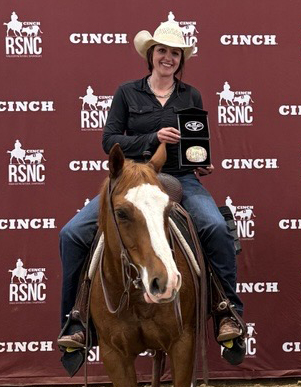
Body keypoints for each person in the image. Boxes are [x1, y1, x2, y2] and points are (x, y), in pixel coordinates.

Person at [57, 18, 244, 362]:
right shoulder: (127, 92)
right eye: (162, 51)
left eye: (175, 53)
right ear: (151, 54)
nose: (168, 57)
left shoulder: (191, 95)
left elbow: (195, 141)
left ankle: (226, 309)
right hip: (131, 179)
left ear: (180, 59)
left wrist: (201, 160)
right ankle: (76, 320)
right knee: (71, 234)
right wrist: (152, 139)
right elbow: (109, 140)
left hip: (180, 177)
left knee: (215, 227)